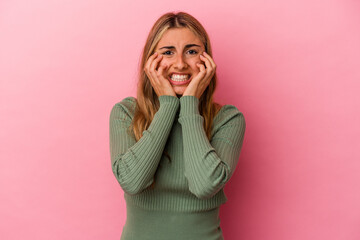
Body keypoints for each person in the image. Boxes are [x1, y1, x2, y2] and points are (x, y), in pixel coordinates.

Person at [109, 11, 246, 240]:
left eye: (191, 51)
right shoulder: (125, 114)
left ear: (207, 61)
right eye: (168, 52)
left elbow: (205, 186)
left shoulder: (228, 119)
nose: (180, 64)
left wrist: (189, 104)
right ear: (150, 61)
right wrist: (168, 105)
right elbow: (132, 182)